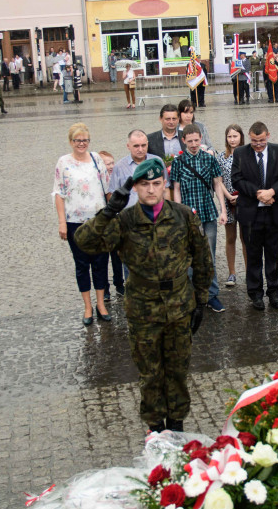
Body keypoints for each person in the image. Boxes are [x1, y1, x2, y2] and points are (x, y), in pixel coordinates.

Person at [75, 156, 213, 433]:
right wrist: (108, 211)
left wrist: (201, 300)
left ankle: (176, 425)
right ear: (134, 187)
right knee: (150, 373)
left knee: (177, 371)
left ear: (165, 185)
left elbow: (202, 259)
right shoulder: (124, 221)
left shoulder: (183, 215)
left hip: (178, 307)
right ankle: (155, 427)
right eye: (144, 184)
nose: (151, 189)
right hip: (142, 310)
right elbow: (84, 242)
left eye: (156, 183)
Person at [54, 123, 113, 325]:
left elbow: (108, 189)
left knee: (100, 263)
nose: (81, 144)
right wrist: (62, 222)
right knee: (82, 265)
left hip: (98, 221)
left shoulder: (96, 159)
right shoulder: (63, 162)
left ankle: (101, 303)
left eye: (85, 140)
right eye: (77, 140)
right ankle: (87, 307)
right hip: (74, 222)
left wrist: (112, 217)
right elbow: (59, 194)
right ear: (71, 142)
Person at [230, 121, 278, 310]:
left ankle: (274, 292)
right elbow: (236, 179)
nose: (258, 144)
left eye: (262, 141)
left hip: (274, 213)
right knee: (254, 255)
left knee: (273, 256)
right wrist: (259, 194)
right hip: (250, 214)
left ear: (268, 136)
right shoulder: (240, 153)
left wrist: (272, 192)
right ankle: (255, 293)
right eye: (255, 141)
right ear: (249, 136)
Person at [171, 124, 228, 312]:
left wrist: (223, 210)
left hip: (207, 212)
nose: (194, 144)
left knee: (209, 256)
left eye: (197, 140)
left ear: (201, 138)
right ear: (184, 141)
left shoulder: (209, 159)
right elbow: (176, 189)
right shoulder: (179, 162)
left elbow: (217, 185)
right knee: (188, 257)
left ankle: (212, 295)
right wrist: (179, 213)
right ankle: (190, 295)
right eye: (190, 141)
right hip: (188, 216)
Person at [217, 124, 247, 288]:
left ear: (241, 137)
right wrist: (229, 196)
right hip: (228, 201)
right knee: (230, 237)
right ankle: (232, 272)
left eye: (235, 136)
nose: (232, 139)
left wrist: (241, 195)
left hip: (244, 200)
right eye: (230, 136)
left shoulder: (247, 155)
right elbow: (218, 180)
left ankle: (250, 272)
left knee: (245, 238)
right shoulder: (222, 157)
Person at [97, 150, 125, 298]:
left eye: (112, 162)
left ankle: (119, 284)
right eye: (107, 163)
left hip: (116, 223)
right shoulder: (97, 180)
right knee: (102, 258)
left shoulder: (118, 176)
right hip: (103, 223)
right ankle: (105, 289)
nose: (110, 166)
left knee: (117, 257)